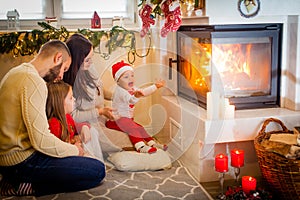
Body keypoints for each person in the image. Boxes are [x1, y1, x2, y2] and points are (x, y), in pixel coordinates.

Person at [0, 40, 105, 197]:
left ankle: (18, 180)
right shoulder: (34, 82)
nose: (61, 76)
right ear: (58, 58)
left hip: (8, 161)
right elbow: (41, 141)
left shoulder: (16, 72)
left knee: (85, 165)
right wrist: (75, 150)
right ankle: (25, 186)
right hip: (22, 162)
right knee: (97, 170)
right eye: (64, 69)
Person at [105, 60, 168, 154]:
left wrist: (155, 86)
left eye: (132, 75)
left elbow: (143, 92)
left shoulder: (132, 88)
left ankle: (152, 143)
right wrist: (136, 96)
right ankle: (140, 146)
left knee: (140, 127)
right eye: (126, 77)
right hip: (116, 120)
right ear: (118, 81)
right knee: (132, 128)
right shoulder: (120, 91)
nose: (130, 79)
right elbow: (130, 100)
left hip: (127, 120)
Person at [46, 80, 104, 162]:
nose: (74, 99)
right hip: (65, 158)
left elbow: (76, 126)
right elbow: (58, 149)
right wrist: (75, 146)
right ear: (59, 102)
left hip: (75, 149)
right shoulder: (53, 124)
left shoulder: (67, 117)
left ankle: (97, 161)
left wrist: (84, 127)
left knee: (92, 131)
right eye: (70, 98)